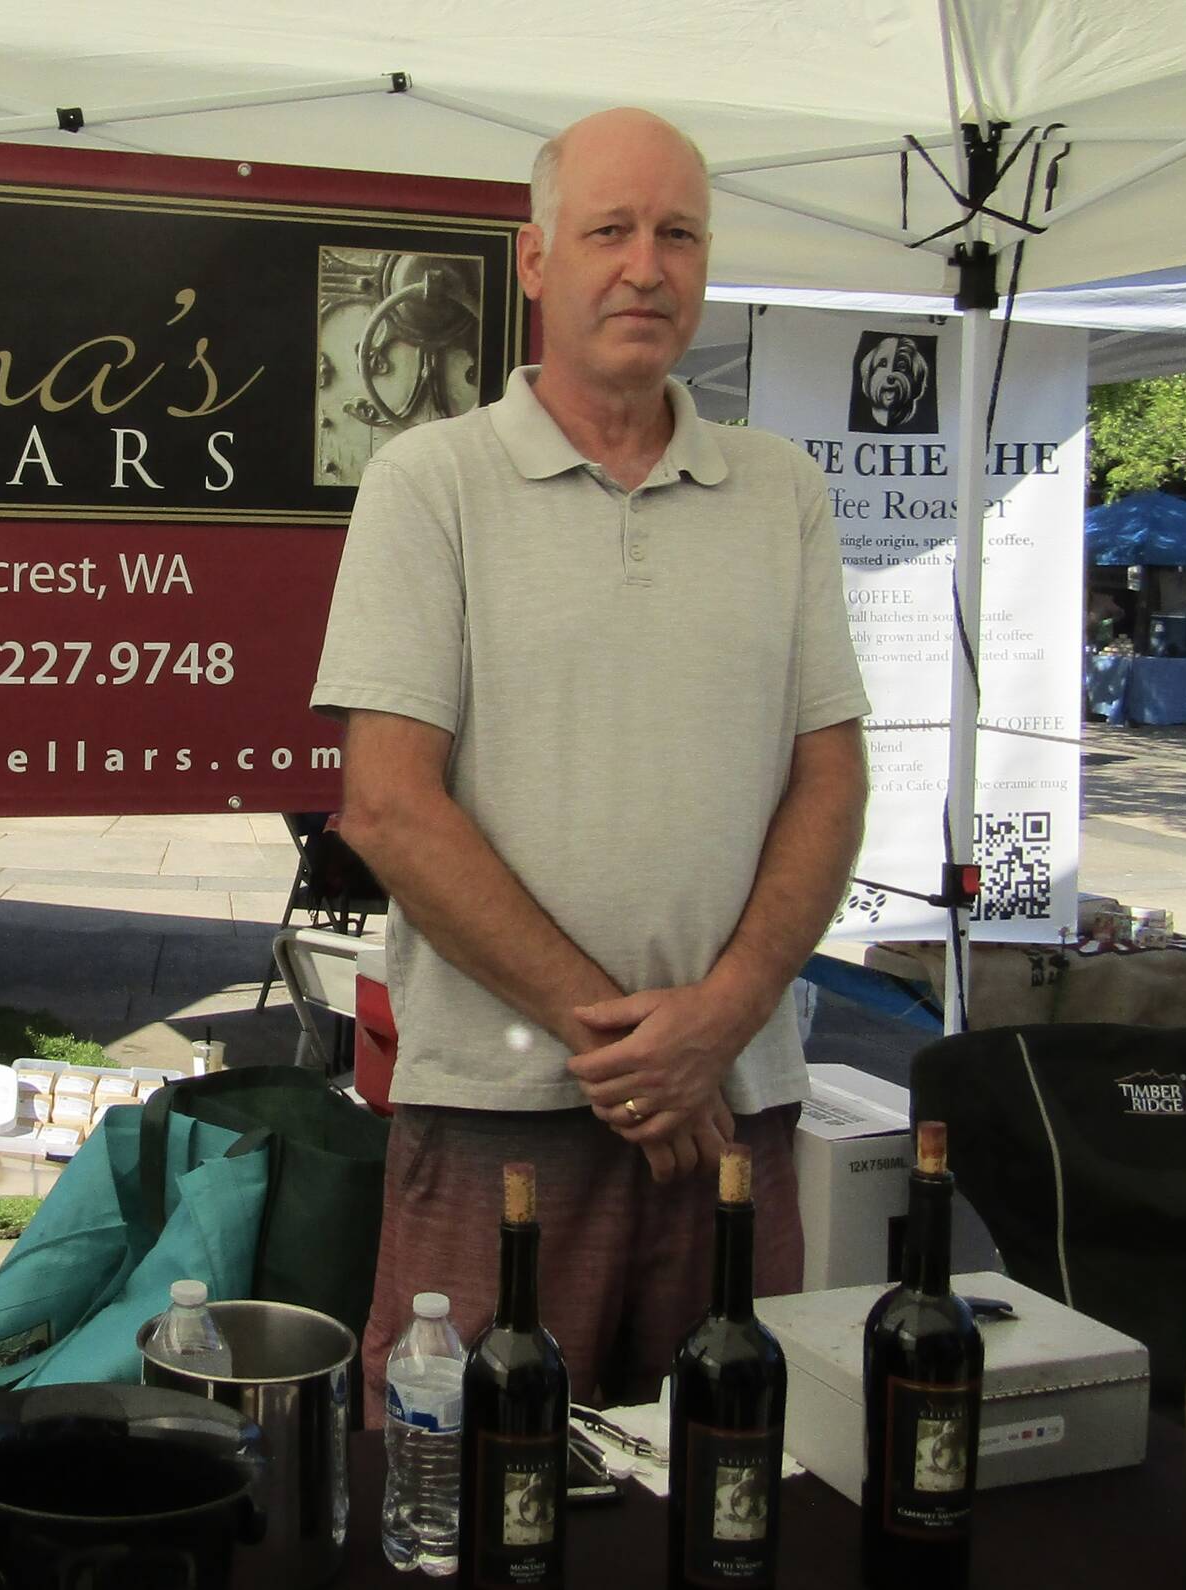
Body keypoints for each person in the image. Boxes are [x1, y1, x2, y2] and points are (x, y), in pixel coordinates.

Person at [311, 107, 871, 1417]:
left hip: (736, 1109)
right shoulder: (429, 484)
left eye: (678, 233)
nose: (645, 265)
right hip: (502, 1108)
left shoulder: (782, 491)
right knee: (471, 1496)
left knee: (730, 1484)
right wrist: (624, 1047)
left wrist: (723, 1019)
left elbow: (830, 784)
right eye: (608, 229)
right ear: (535, 261)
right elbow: (389, 806)